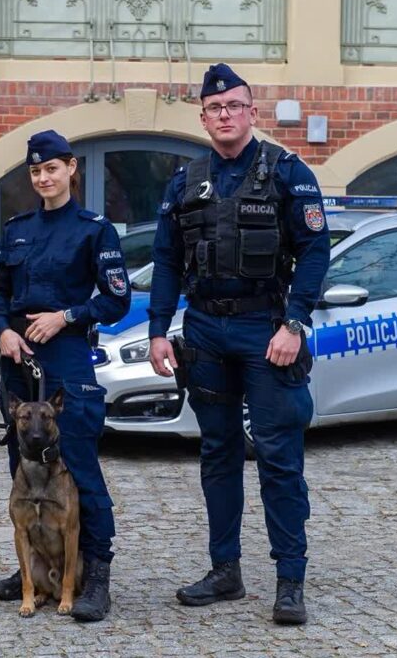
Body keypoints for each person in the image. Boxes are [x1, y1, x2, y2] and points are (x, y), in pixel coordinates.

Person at [147, 64, 330, 625]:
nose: (225, 115)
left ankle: (290, 580)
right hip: (204, 330)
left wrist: (293, 323)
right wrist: (158, 330)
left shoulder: (287, 173)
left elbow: (316, 251)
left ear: (253, 111)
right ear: (203, 117)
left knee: (278, 456)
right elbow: (167, 260)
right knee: (218, 454)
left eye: (235, 105)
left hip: (265, 331)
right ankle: (224, 570)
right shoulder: (186, 180)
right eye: (215, 108)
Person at [0, 129, 131, 623]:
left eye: (52, 169)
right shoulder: (17, 228)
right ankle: (34, 565)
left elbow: (115, 299)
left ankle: (96, 576)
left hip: (66, 355)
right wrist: (3, 329)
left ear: (71, 169)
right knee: (22, 466)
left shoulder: (94, 230)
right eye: (36, 171)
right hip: (17, 354)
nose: (44, 178)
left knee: (79, 466)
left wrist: (66, 316)